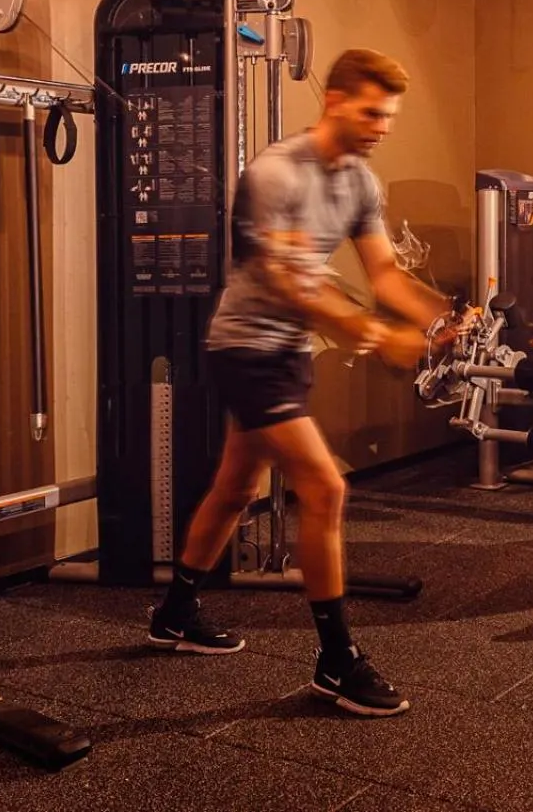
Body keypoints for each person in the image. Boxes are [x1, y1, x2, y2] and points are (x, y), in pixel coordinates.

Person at [145, 47, 454, 718]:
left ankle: (173, 611)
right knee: (324, 487)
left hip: (289, 354)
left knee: (234, 488)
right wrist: (374, 334)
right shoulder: (274, 173)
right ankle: (336, 660)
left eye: (390, 116)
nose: (384, 126)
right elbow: (290, 286)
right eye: (374, 111)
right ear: (336, 99)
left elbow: (386, 277)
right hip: (245, 348)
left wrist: (445, 318)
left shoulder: (361, 185)